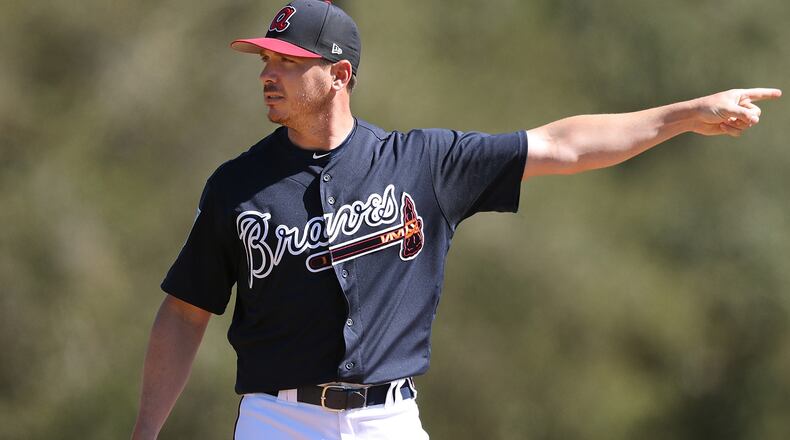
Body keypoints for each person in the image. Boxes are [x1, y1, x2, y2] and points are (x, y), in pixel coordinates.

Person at [131, 1, 781, 439]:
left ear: (340, 75)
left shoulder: (423, 162)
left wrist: (689, 113)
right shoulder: (237, 187)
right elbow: (186, 312)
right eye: (266, 60)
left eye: (288, 62)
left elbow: (565, 144)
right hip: (279, 421)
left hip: (389, 421)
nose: (269, 73)